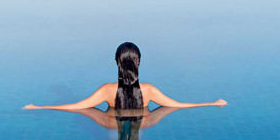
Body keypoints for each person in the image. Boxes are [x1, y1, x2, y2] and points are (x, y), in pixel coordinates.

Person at [24, 42, 227, 110]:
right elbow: (178, 105)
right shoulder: (148, 90)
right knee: (157, 116)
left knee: (94, 115)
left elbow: (77, 106)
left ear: (116, 62)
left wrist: (40, 107)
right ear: (139, 62)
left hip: (111, 126)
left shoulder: (107, 90)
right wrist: (211, 103)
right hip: (143, 123)